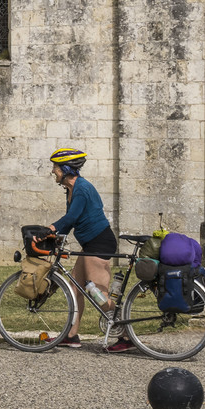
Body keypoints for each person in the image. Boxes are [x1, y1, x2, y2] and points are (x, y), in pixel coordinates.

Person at [43, 147, 130, 352]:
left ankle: (127, 336)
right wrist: (57, 233)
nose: (53, 172)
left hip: (99, 243)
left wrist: (51, 228)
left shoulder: (81, 189)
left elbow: (71, 219)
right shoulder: (72, 189)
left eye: (55, 168)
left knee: (97, 295)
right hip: (90, 243)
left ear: (65, 168)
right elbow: (73, 221)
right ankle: (71, 335)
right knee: (75, 289)